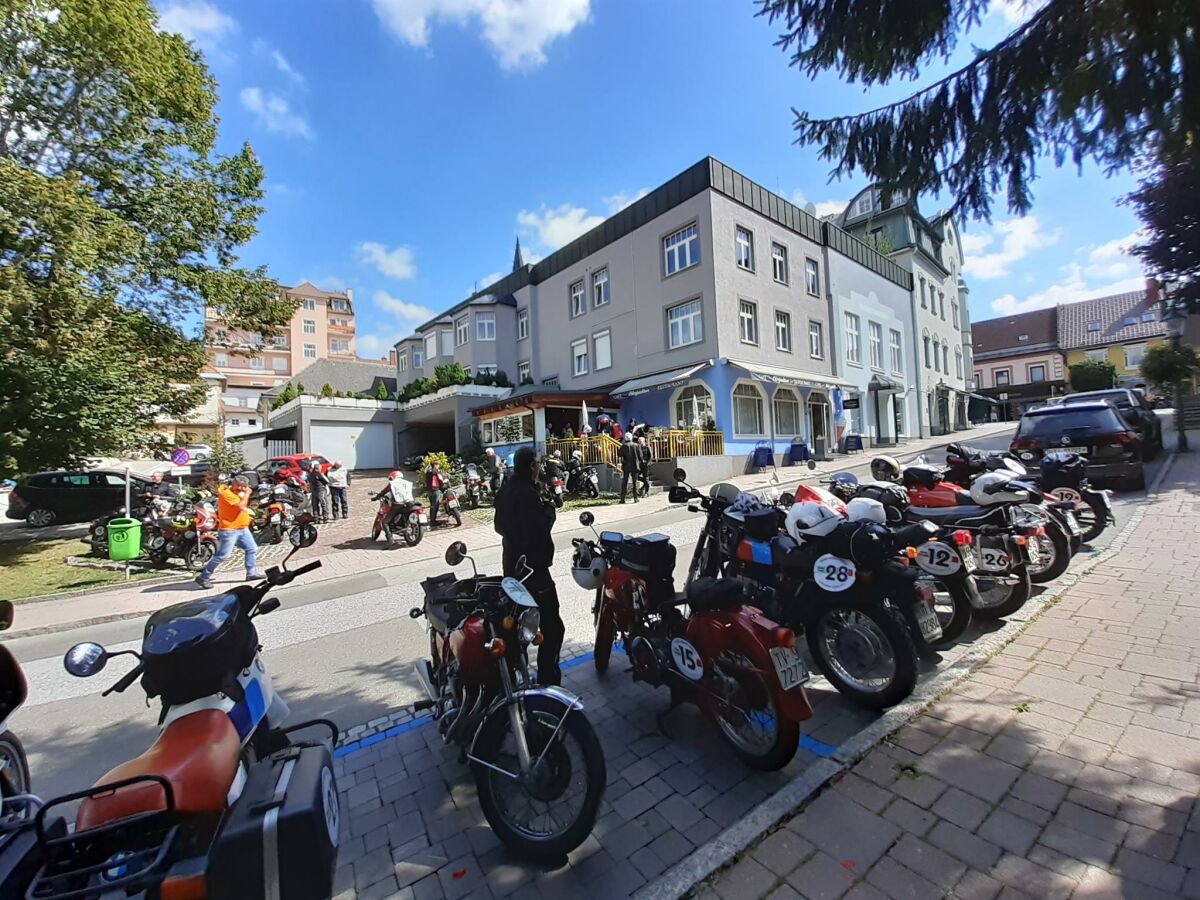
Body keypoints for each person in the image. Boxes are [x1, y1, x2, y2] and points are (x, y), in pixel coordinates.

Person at [494, 447, 563, 686]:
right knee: (553, 627)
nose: (540, 468)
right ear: (531, 466)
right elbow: (540, 527)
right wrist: (550, 510)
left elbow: (498, 527)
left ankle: (517, 678)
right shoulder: (530, 494)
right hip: (535, 570)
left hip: (512, 570)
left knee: (517, 629)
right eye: (537, 464)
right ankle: (547, 678)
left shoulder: (504, 491)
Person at [196, 476, 262, 588]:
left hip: (243, 528)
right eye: (239, 485)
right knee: (223, 556)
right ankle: (203, 577)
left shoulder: (238, 493)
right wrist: (247, 494)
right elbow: (241, 506)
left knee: (252, 549)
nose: (241, 488)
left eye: (244, 486)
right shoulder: (227, 494)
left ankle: (251, 573)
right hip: (229, 530)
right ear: (233, 484)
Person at [619, 432, 640, 503]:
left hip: (626, 466)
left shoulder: (624, 445)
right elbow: (640, 456)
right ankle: (636, 498)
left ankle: (622, 498)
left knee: (625, 481)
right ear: (631, 438)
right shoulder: (636, 445)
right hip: (635, 465)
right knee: (635, 482)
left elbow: (619, 454)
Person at [425, 460, 446, 527]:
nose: (438, 466)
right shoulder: (433, 472)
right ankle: (433, 521)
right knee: (435, 506)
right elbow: (438, 474)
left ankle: (432, 519)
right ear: (435, 465)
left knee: (432, 506)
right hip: (434, 490)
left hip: (429, 490)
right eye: (437, 465)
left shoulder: (428, 471)